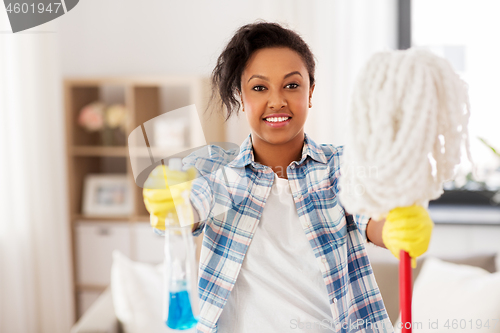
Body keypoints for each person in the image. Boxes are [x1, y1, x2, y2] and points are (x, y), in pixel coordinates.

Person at [143, 21, 433, 333]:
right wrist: (171, 205)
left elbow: (370, 216)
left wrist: (394, 229)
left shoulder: (340, 166)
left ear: (310, 93)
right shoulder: (215, 168)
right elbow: (186, 210)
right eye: (259, 87)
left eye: (292, 85)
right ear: (241, 97)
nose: (277, 100)